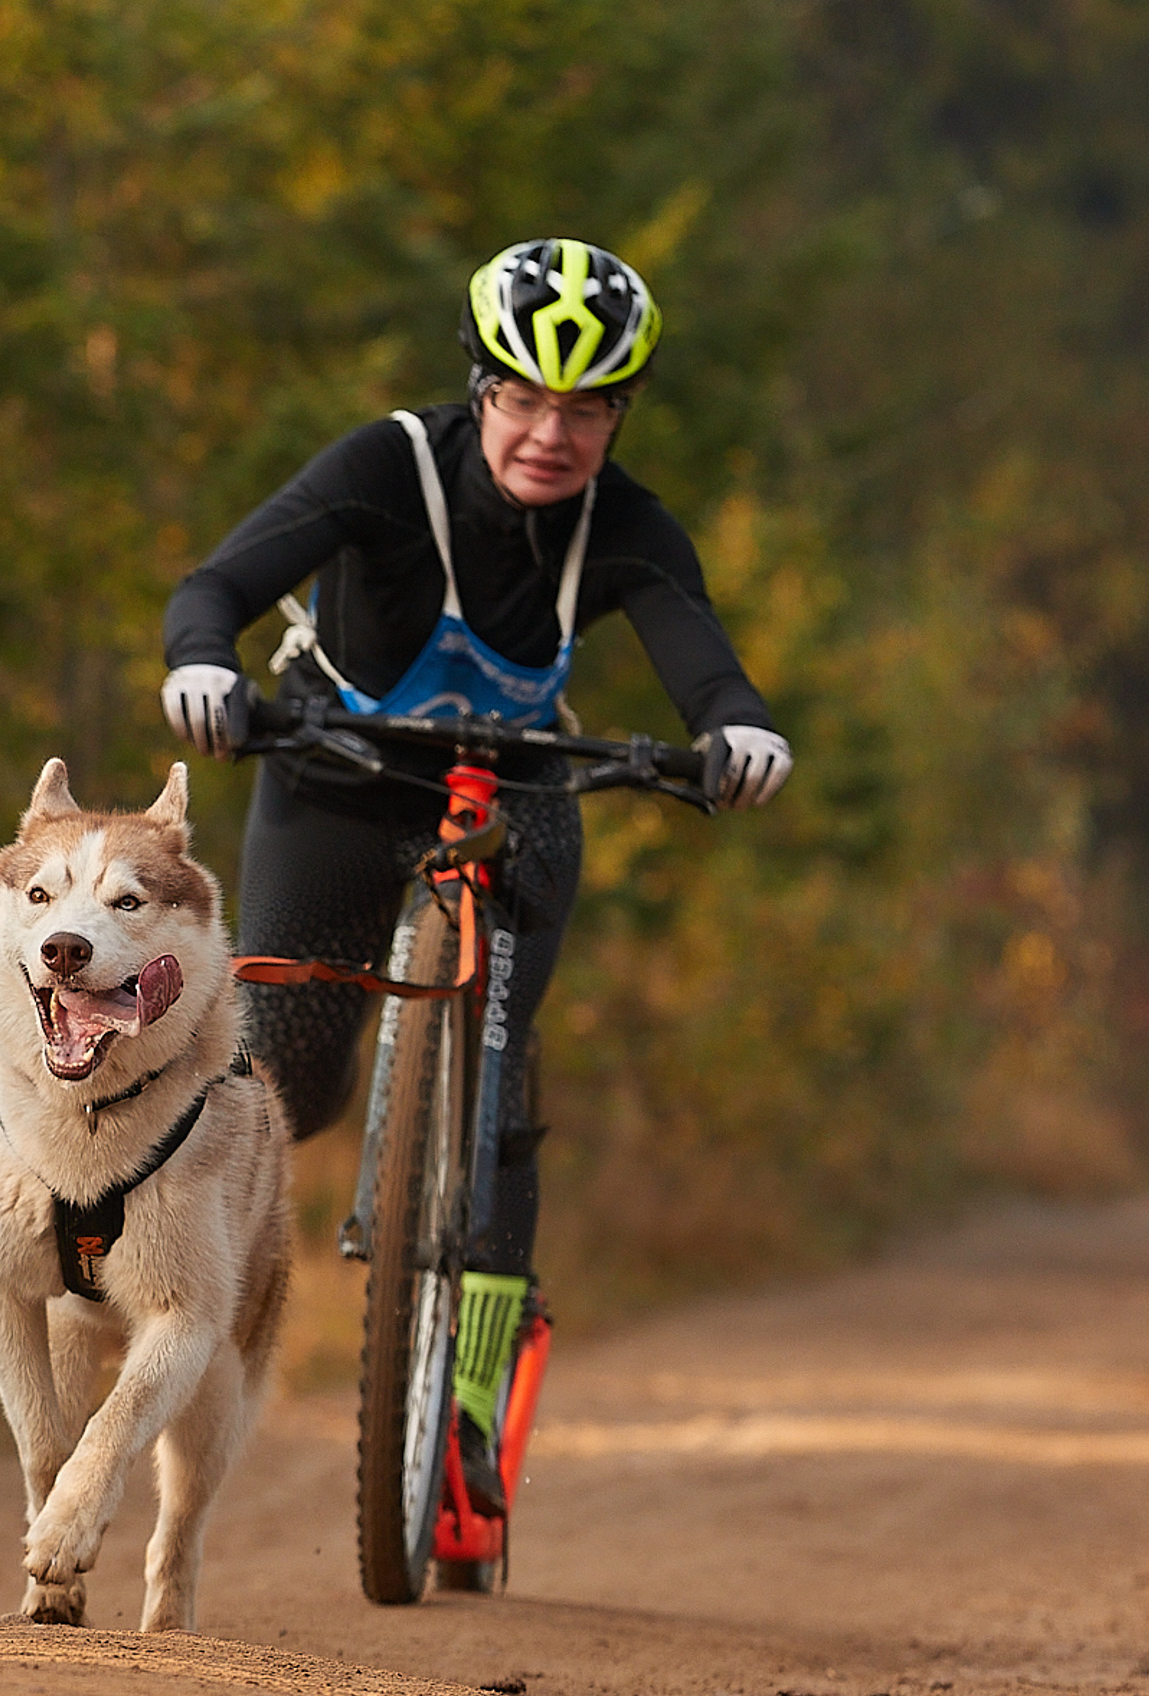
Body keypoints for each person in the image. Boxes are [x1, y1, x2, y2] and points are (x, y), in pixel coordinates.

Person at [158, 238, 791, 1514]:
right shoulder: (386, 469)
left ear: (620, 412)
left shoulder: (629, 530)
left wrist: (739, 730)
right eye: (525, 397)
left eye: (588, 406)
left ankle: (469, 1412)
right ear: (481, 387)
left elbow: (704, 664)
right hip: (333, 778)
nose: (552, 433)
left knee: (499, 1098)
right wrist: (204, 664)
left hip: (512, 799)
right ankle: (168, 1292)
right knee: (282, 1078)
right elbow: (217, 585)